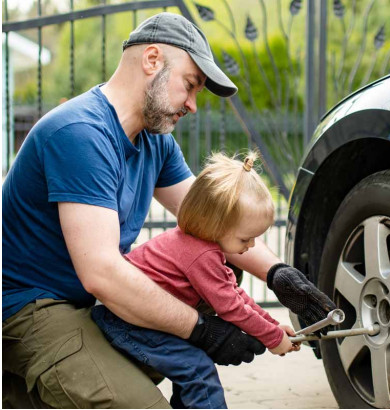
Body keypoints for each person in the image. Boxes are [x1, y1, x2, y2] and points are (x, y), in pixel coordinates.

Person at [2, 12, 335, 408]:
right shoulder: (80, 134)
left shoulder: (153, 142)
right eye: (190, 86)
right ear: (152, 60)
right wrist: (202, 331)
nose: (193, 105)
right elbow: (103, 274)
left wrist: (279, 275)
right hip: (31, 308)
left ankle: (56, 385)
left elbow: (216, 221)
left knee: (217, 276)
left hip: (88, 304)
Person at [92, 152, 300, 409]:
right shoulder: (200, 253)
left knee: (194, 365)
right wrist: (273, 340)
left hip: (135, 319)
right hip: (124, 321)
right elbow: (230, 307)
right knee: (198, 370)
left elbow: (235, 294)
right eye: (246, 239)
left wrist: (273, 327)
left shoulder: (203, 244)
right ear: (216, 224)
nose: (252, 245)